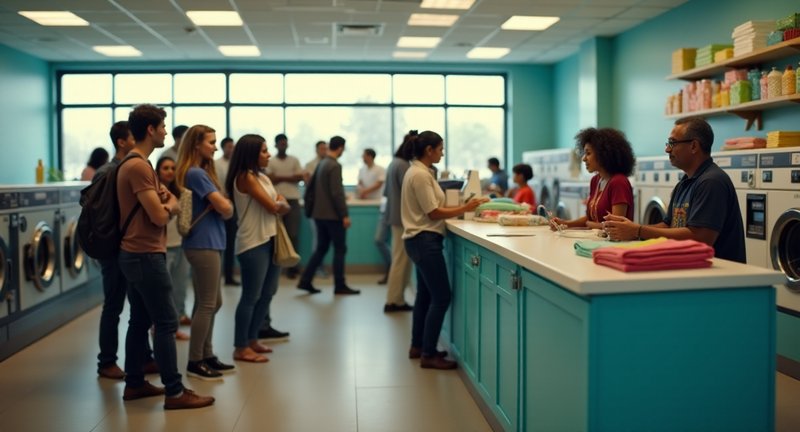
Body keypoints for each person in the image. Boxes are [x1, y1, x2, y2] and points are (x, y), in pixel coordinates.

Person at [117, 104, 214, 409]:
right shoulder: (140, 166)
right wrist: (170, 207)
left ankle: (134, 384)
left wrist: (168, 202)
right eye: (162, 127)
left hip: (134, 253)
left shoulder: (138, 164)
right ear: (151, 129)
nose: (165, 132)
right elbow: (162, 214)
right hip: (145, 253)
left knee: (139, 319)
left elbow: (170, 196)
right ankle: (174, 392)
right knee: (167, 321)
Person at [603, 117, 746, 263]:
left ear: (694, 146)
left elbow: (700, 238)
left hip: (721, 275)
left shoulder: (711, 182)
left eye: (672, 143)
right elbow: (668, 225)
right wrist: (629, 230)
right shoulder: (685, 183)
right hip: (694, 268)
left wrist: (638, 230)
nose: (667, 149)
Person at [402, 131, 487, 370]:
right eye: (440, 149)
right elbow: (433, 212)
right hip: (424, 240)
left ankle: (417, 346)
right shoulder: (420, 175)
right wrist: (466, 207)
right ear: (429, 150)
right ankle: (428, 353)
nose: (442, 153)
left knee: (425, 296)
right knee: (441, 297)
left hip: (418, 240)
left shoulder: (419, 172)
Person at [95, 121, 157, 380]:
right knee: (114, 305)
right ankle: (107, 361)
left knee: (139, 306)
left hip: (128, 246)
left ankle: (144, 357)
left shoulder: (127, 167)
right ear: (122, 141)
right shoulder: (109, 171)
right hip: (114, 248)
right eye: (134, 136)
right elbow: (105, 214)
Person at [176, 124, 236, 381]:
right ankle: (195, 360)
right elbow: (226, 208)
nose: (214, 146)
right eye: (210, 142)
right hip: (203, 244)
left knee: (212, 302)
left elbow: (225, 207)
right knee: (208, 303)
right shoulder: (196, 174)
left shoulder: (201, 172)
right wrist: (225, 205)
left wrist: (225, 205)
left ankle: (207, 353)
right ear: (196, 145)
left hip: (209, 242)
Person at [226, 134, 291, 363]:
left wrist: (279, 204)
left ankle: (252, 339)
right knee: (251, 296)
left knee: (268, 293)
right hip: (253, 244)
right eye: (264, 151)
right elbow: (275, 205)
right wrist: (279, 204)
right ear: (252, 154)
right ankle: (240, 346)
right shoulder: (245, 177)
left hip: (269, 240)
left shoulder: (262, 177)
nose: (269, 154)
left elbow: (281, 202)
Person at [297, 136, 359, 295]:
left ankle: (305, 280)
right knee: (340, 249)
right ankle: (340, 285)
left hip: (319, 214)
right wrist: (344, 215)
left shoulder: (322, 163)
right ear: (340, 148)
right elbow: (337, 193)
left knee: (321, 248)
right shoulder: (334, 165)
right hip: (333, 216)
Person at [551, 128, 635, 230]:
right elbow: (590, 218)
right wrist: (565, 223)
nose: (583, 158)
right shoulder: (596, 180)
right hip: (597, 241)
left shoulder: (619, 182)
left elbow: (616, 226)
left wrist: (591, 224)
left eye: (588, 153)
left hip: (618, 245)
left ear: (604, 154)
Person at [155, 156, 191, 340]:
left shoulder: (181, 193)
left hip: (180, 245)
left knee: (179, 288)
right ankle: (160, 326)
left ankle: (175, 326)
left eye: (172, 168)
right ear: (158, 171)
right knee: (163, 292)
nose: (170, 171)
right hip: (163, 248)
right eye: (165, 168)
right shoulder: (154, 193)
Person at [383, 131, 417, 313]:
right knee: (400, 261)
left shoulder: (394, 163)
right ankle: (394, 300)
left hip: (395, 216)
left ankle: (397, 299)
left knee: (400, 260)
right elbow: (413, 193)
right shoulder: (404, 166)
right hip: (402, 219)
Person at [266, 133, 304, 279]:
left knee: (293, 234)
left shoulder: (294, 160)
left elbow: (300, 177)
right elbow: (269, 179)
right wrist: (290, 177)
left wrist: (279, 177)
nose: (284, 146)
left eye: (285, 143)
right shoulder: (270, 160)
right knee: (275, 235)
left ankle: (292, 269)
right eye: (281, 143)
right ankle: (277, 267)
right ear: (276, 145)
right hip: (275, 201)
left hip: (293, 201)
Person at [357, 148, 390, 283]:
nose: (362, 158)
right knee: (379, 240)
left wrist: (365, 191)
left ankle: (390, 268)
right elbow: (359, 183)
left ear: (370, 156)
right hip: (368, 201)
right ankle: (390, 268)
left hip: (379, 202)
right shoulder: (362, 169)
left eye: (364, 155)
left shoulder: (380, 169)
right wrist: (361, 191)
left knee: (380, 240)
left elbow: (379, 183)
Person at [215, 137, 239, 286]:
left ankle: (229, 276)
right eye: (229, 147)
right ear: (223, 148)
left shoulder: (236, 164)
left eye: (233, 147)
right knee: (218, 243)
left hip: (233, 207)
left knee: (230, 243)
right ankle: (216, 275)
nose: (231, 149)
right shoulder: (216, 164)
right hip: (219, 206)